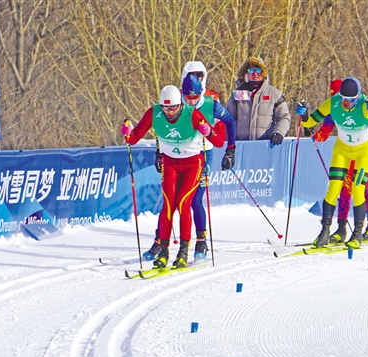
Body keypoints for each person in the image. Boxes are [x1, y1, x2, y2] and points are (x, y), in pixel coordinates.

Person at [122, 85, 226, 269]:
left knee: (184, 203)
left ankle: (183, 252)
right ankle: (163, 252)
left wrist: (209, 131)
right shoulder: (154, 113)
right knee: (168, 204)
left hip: (192, 164)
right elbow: (133, 138)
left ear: (180, 104)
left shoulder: (192, 115)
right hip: (170, 163)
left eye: (173, 108)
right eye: (166, 108)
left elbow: (218, 141)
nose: (169, 112)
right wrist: (127, 133)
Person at [297, 76, 368, 249]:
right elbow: (310, 121)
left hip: (363, 152)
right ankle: (325, 231)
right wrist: (303, 114)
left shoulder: (364, 105)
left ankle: (358, 233)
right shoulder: (333, 103)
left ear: (357, 98)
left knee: (358, 189)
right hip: (342, 150)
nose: (345, 102)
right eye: (342, 98)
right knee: (333, 189)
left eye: (349, 99)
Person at [181, 73, 236, 259]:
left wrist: (231, 149)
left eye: (195, 97)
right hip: (183, 155)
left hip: (204, 153)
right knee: (176, 200)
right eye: (187, 97)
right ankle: (161, 242)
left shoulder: (210, 104)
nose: (191, 101)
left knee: (195, 199)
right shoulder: (176, 104)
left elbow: (230, 121)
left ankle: (201, 241)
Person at [226, 56, 291, 147]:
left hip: (266, 145)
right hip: (241, 145)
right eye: (251, 70)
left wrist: (279, 132)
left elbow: (284, 116)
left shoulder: (274, 94)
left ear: (263, 72)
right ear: (246, 73)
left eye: (258, 70)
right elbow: (228, 120)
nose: (255, 73)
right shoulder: (237, 94)